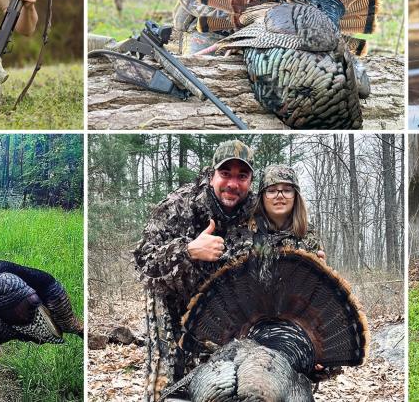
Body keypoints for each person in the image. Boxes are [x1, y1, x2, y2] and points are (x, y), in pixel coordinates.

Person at [133, 139, 257, 397]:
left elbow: (288, 228)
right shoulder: (180, 205)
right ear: (212, 174)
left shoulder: (257, 211)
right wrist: (189, 251)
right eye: (226, 174)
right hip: (173, 302)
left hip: (228, 312)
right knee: (168, 388)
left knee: (228, 386)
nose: (233, 184)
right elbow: (144, 261)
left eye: (242, 176)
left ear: (251, 180)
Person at [252, 164, 324, 258]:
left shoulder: (309, 235)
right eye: (272, 190)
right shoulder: (246, 232)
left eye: (287, 190)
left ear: (296, 196)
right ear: (261, 197)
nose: (280, 196)